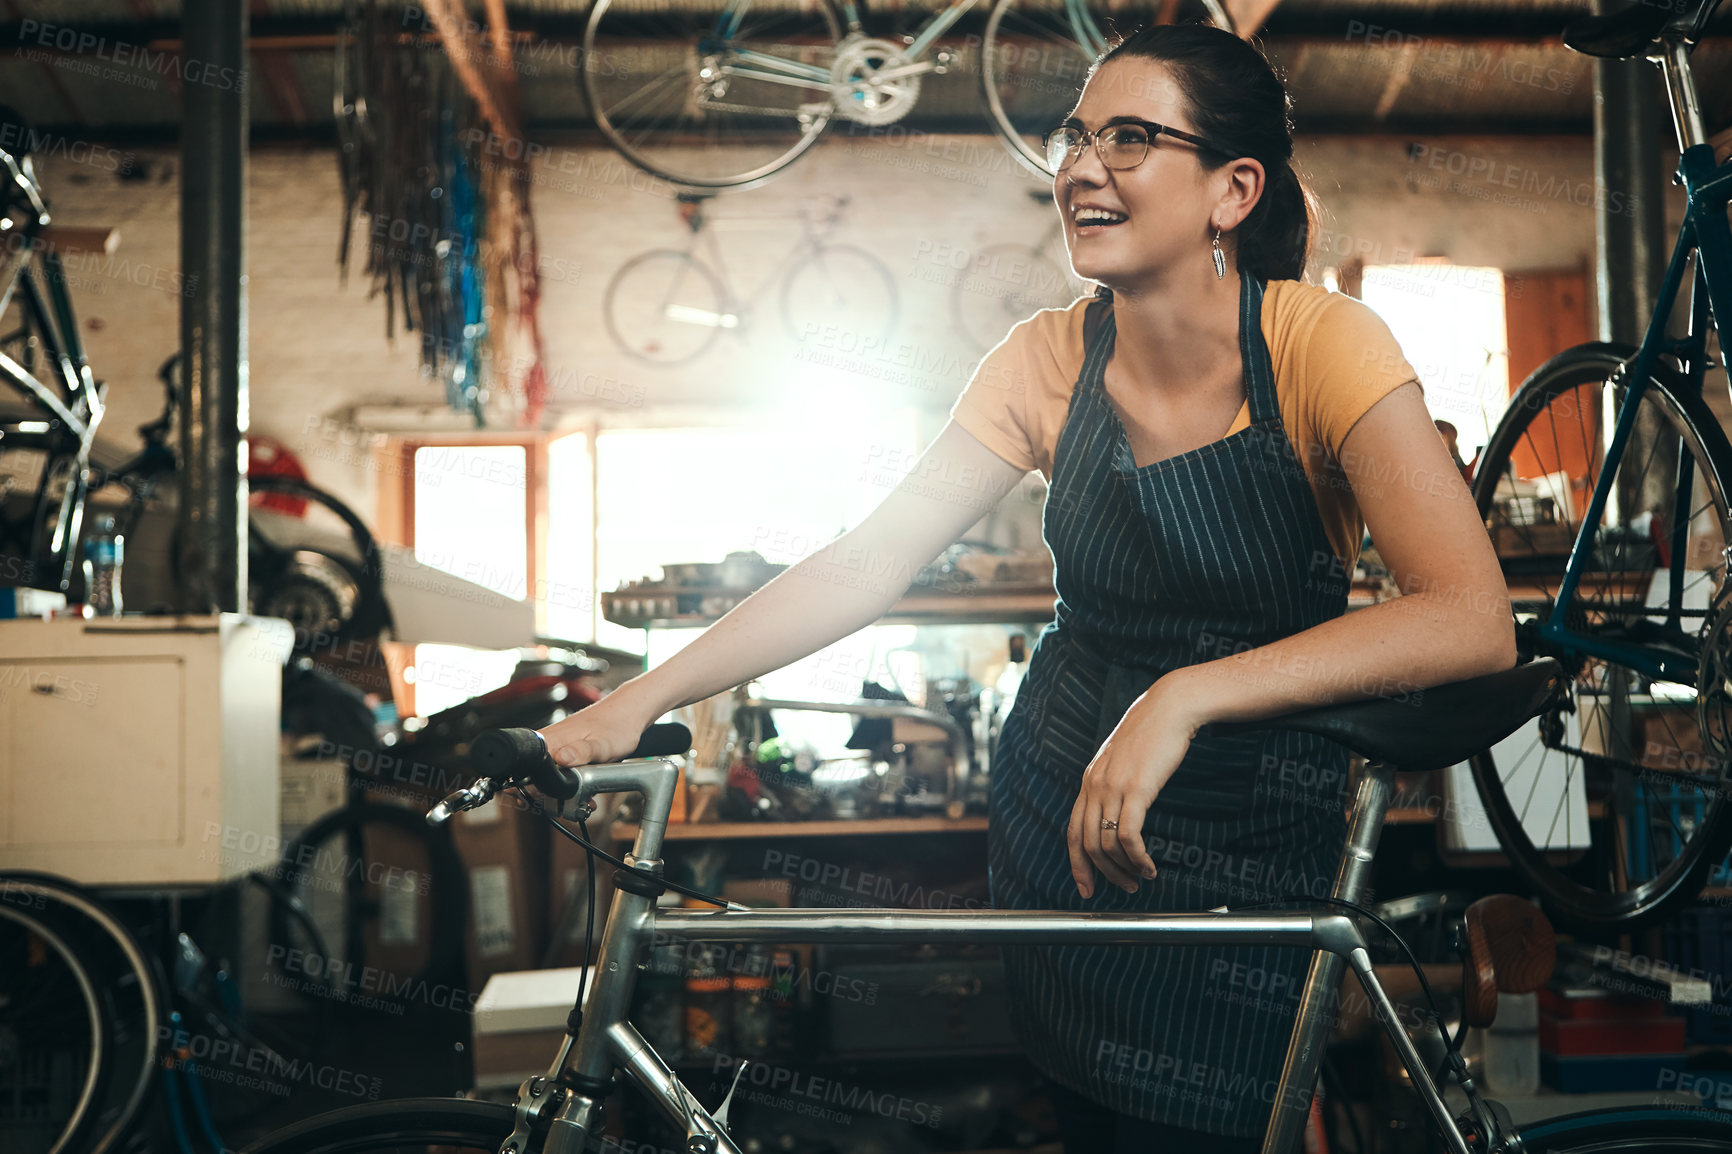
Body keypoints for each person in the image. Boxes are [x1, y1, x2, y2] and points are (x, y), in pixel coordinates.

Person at [539, 22, 1514, 1154]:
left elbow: (1467, 615)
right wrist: (634, 700)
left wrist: (1182, 694)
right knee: (1097, 1121)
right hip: (1066, 807)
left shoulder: (1321, 343)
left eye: (1133, 139)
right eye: (1076, 136)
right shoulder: (1041, 359)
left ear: (1231, 189)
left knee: (1227, 1118)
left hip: (1251, 819)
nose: (1082, 167)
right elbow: (866, 562)